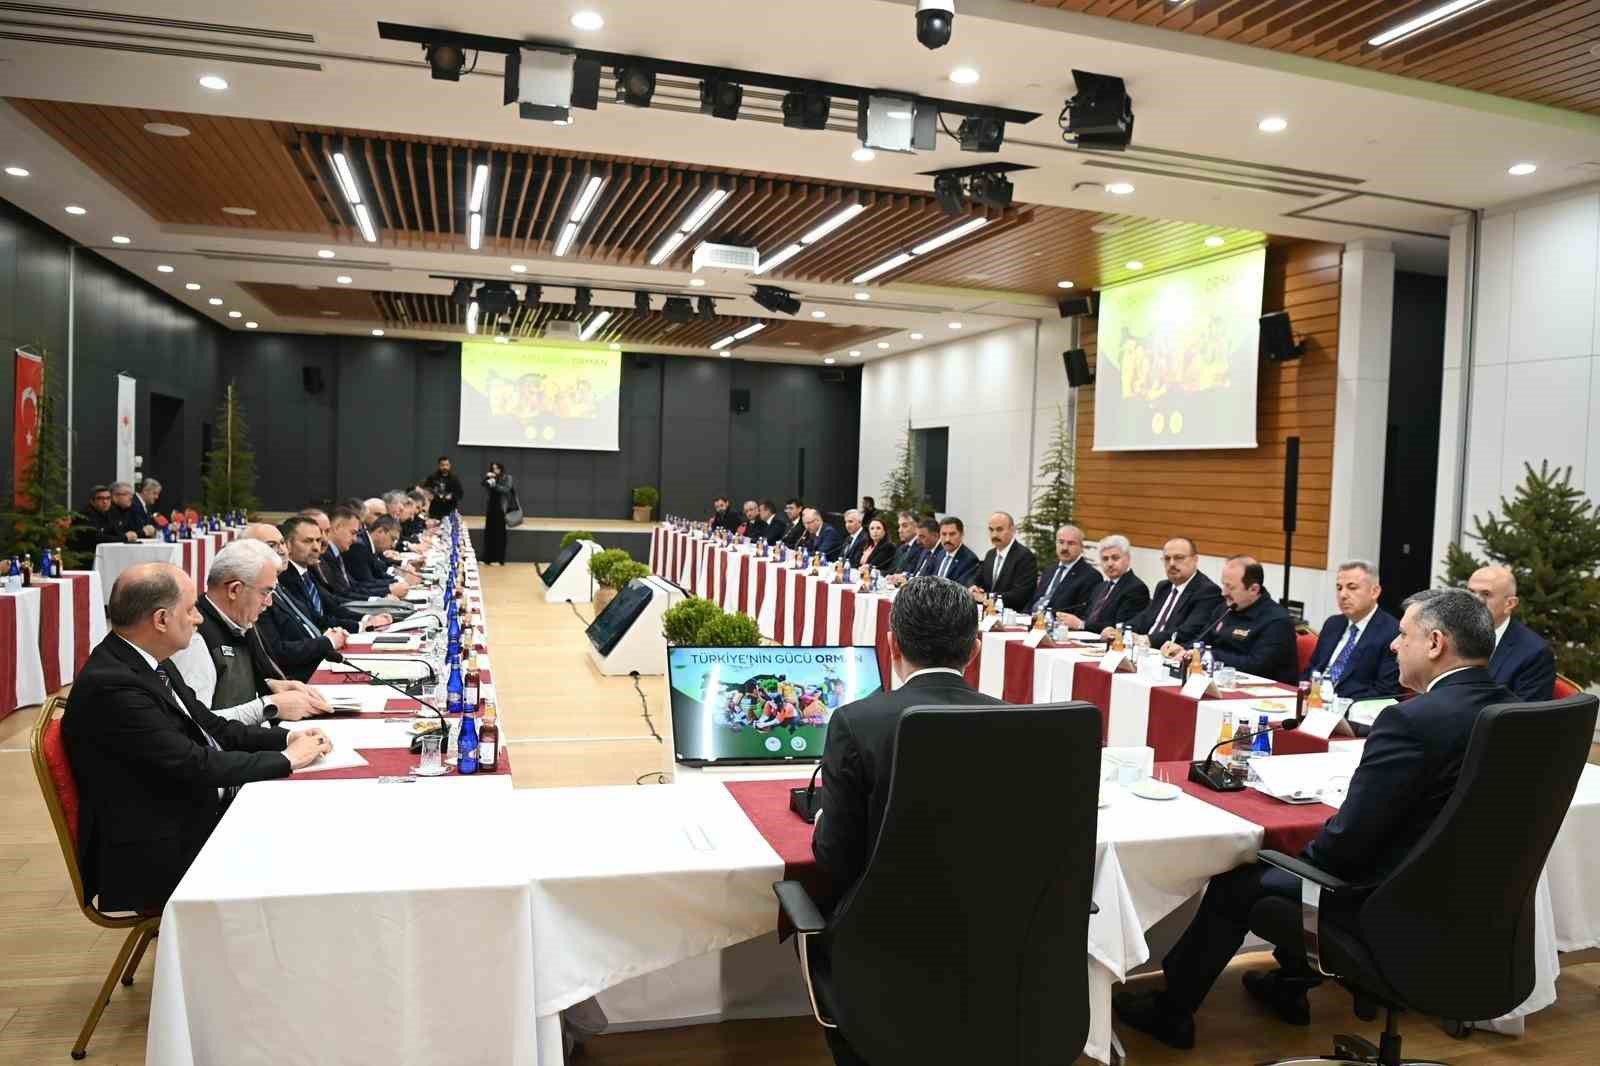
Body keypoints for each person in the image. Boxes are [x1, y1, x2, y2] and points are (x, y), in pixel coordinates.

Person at [1115, 589, 1514, 1047]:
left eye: (1403, 635)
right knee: (1296, 868)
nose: (1392, 645)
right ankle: (1289, 986)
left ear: (1436, 643)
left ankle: (1172, 1011)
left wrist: (1297, 857)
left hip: (1384, 901)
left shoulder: (1411, 720)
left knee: (1242, 879)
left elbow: (1346, 845)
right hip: (1469, 902)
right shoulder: (1517, 713)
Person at [61, 563, 332, 914]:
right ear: (161, 619)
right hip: (157, 851)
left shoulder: (147, 661)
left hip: (181, 812)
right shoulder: (113, 685)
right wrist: (288, 759)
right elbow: (193, 764)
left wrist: (287, 738)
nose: (199, 618)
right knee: (305, 848)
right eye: (190, 610)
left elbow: (214, 729)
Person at [812, 575, 1001, 1066]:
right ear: (975, 649)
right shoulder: (1019, 722)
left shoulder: (855, 722)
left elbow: (834, 860)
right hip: (991, 950)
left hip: (881, 955)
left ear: (892, 645)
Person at [169, 539, 332, 725]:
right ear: (234, 590)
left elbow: (227, 686)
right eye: (265, 592)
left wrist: (270, 687)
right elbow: (196, 723)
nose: (269, 603)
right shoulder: (194, 641)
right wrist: (270, 706)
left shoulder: (238, 622)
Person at [242, 522, 349, 682]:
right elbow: (277, 652)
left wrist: (331, 636)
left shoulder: (280, 586)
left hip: (319, 663)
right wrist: (327, 642)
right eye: (271, 545)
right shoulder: (255, 594)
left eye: (282, 543)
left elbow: (315, 621)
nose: (282, 550)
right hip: (299, 679)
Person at [1164, 556, 1296, 683]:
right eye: (1224, 585)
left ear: (1254, 589)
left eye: (1230, 587)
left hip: (1263, 689)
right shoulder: (1224, 608)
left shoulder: (1277, 620)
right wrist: (1183, 649)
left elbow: (1257, 665)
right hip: (1219, 679)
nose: (1223, 592)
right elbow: (1203, 639)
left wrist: (1209, 656)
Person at [1303, 560, 1401, 702]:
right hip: (1313, 701)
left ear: (1374, 591)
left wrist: (1335, 701)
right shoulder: (1333, 624)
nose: (1343, 595)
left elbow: (1385, 692)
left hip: (1351, 708)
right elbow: (1313, 669)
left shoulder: (1392, 632)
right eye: (1339, 588)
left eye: (1352, 587)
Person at [1468, 565, 1556, 702]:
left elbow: (1525, 712)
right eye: (1471, 593)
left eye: (1486, 594)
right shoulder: (1448, 634)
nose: (1475, 601)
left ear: (1509, 604)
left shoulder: (1535, 653)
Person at [1115, 537, 1223, 647]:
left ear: (1195, 560)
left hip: (1169, 651)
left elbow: (1189, 631)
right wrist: (1120, 631)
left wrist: (1148, 640)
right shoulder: (1163, 586)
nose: (1171, 564)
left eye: (1179, 558)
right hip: (1144, 648)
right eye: (1167, 558)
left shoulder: (1208, 591)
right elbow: (1144, 618)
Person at [1061, 534, 1148, 631]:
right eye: (1105, 559)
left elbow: (1120, 626)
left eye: (1115, 558)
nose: (1109, 564)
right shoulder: (1100, 587)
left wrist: (1082, 625)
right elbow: (1087, 616)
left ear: (1128, 558)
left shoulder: (1136, 588)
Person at [322, 508, 410, 598]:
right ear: (336, 528)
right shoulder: (356, 548)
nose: (355, 539)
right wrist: (388, 590)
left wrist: (393, 585)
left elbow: (354, 586)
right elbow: (346, 592)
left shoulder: (337, 553)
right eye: (352, 533)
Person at [968, 511, 1038, 610]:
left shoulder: (1025, 557)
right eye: (991, 530)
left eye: (999, 529)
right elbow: (976, 579)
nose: (994, 535)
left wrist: (987, 597)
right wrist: (973, 587)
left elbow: (1021, 594)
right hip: (987, 612)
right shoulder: (990, 554)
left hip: (1011, 613)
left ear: (1012, 530)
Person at [1029, 524, 1102, 617]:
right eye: (1061, 542)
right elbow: (1034, 600)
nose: (1065, 548)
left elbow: (1080, 613)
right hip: (1030, 619)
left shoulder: (1091, 576)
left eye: (1071, 543)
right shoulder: (1049, 570)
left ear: (1081, 547)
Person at [925, 517, 980, 584]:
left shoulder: (970, 560)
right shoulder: (940, 554)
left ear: (961, 535)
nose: (947, 539)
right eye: (944, 534)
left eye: (952, 534)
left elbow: (960, 587)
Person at [889, 518, 941, 585]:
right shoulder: (925, 550)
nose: (918, 541)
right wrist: (904, 576)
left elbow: (931, 581)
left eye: (922, 537)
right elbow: (916, 574)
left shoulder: (941, 554)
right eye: (918, 536)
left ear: (935, 536)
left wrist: (909, 581)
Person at [482, 461, 515, 565]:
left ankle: (499, 559)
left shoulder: (507, 478)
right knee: (489, 534)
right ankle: (487, 559)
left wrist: (495, 485)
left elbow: (506, 490)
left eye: (496, 468)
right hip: (491, 508)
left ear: (501, 469)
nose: (494, 470)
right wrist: (487, 478)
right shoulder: (491, 477)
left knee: (499, 535)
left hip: (501, 508)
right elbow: (483, 484)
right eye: (493, 468)